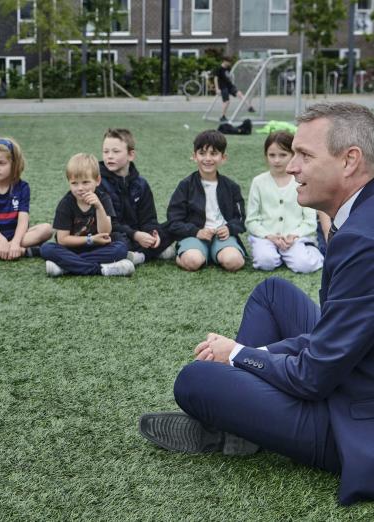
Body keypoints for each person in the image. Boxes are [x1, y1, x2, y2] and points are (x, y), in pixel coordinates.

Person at [138, 102, 374, 506]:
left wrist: (239, 355)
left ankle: (239, 425)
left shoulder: (363, 240)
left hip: (355, 419)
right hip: (352, 365)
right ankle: (242, 417)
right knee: (273, 293)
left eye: (305, 155)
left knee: (195, 379)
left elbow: (312, 376)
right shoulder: (362, 214)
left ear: (350, 161)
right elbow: (336, 336)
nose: (293, 167)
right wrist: (256, 356)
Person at [40, 153, 134, 277]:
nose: (80, 188)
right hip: (72, 248)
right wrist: (90, 239)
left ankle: (66, 267)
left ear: (97, 181)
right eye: (74, 183)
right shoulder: (66, 204)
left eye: (85, 182)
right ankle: (101, 269)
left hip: (97, 248)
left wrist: (99, 207)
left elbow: (105, 232)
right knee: (47, 248)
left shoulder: (103, 199)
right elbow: (63, 240)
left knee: (120, 248)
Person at [167, 129, 246, 272]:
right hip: (194, 235)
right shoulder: (185, 186)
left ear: (223, 157)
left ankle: (215, 253)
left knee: (234, 262)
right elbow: (173, 221)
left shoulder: (231, 187)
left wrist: (229, 228)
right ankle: (183, 253)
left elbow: (240, 218)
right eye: (202, 153)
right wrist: (196, 231)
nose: (208, 158)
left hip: (222, 237)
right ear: (194, 156)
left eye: (214, 153)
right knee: (193, 262)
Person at [246, 131, 323, 273]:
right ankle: (276, 254)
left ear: (293, 155)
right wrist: (268, 236)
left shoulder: (303, 181)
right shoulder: (258, 182)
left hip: (294, 238)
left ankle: (306, 250)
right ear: (266, 156)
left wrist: (294, 235)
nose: (277, 160)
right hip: (267, 237)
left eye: (283, 155)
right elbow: (251, 220)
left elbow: (310, 221)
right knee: (265, 262)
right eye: (272, 155)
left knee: (304, 265)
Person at [98, 128, 174, 265]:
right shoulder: (98, 183)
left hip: (138, 233)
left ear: (131, 155)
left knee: (172, 227)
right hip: (116, 233)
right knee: (117, 241)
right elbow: (110, 225)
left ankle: (139, 254)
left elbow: (149, 219)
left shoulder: (141, 184)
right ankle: (145, 255)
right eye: (105, 151)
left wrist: (153, 234)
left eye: (115, 151)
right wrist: (135, 235)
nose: (109, 156)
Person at [214, 57, 255, 122]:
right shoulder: (219, 68)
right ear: (224, 61)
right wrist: (217, 88)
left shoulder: (228, 68)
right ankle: (222, 116)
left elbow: (229, 76)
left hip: (230, 85)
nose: (229, 63)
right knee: (227, 102)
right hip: (223, 87)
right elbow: (215, 78)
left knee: (240, 94)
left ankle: (249, 107)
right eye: (228, 62)